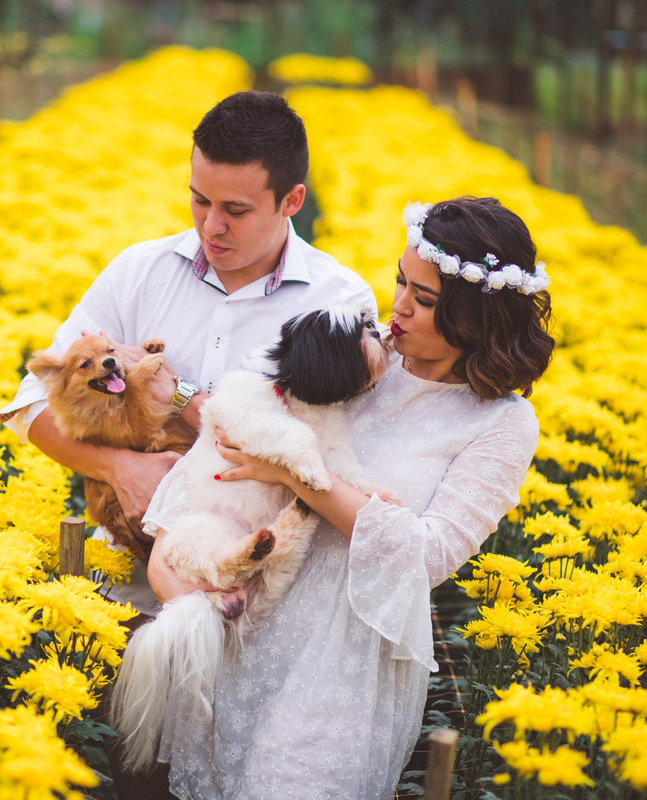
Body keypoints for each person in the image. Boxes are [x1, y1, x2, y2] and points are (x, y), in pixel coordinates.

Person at [0, 90, 376, 797]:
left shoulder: (338, 302)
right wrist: (118, 466)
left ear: (292, 200)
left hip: (263, 615)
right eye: (199, 200)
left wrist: (187, 405)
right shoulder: (140, 272)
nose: (210, 225)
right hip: (128, 602)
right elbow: (29, 403)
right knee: (129, 772)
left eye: (235, 210)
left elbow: (324, 455)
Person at [144, 196, 555, 800]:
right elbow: (229, 436)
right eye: (400, 281)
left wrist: (295, 475)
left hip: (345, 664)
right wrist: (174, 560)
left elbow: (427, 554)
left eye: (427, 299)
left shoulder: (500, 423)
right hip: (242, 626)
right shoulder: (354, 351)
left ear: (479, 318)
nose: (399, 308)